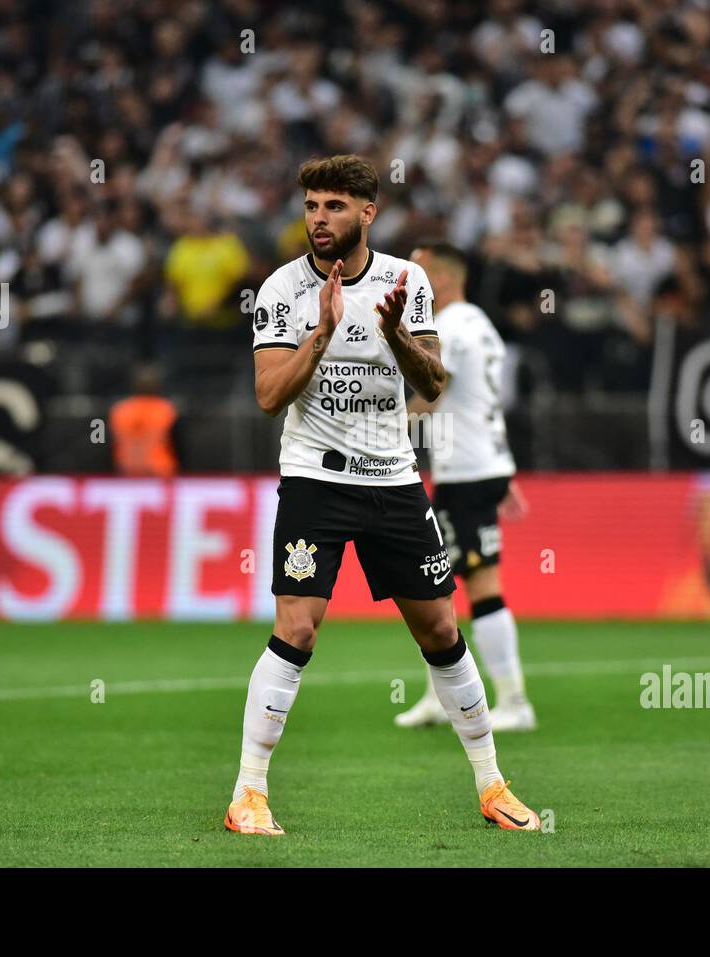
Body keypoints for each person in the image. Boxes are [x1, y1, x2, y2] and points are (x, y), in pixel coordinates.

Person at [224, 155, 540, 835]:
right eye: (311, 205)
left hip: (394, 479)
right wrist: (322, 334)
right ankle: (248, 792)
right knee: (296, 627)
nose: (318, 219)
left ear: (368, 213)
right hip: (315, 478)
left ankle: (493, 785)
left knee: (442, 630)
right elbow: (269, 395)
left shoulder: (407, 280)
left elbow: (433, 385)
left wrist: (395, 334)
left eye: (334, 206)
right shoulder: (281, 289)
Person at [394, 240, 536, 732]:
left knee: (480, 587)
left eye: (419, 272)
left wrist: (373, 432)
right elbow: (483, 402)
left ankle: (515, 701)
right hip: (483, 466)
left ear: (445, 278)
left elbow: (432, 398)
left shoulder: (449, 326)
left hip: (468, 473)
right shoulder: (481, 323)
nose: (410, 279)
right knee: (434, 590)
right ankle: (440, 698)